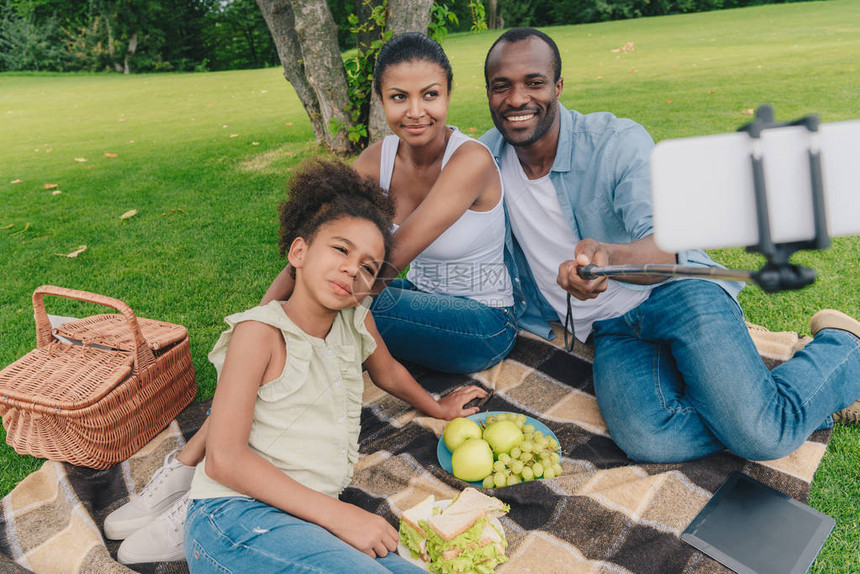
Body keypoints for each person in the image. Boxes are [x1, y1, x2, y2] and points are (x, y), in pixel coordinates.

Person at [480, 27, 860, 463]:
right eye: (501, 86)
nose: (516, 99)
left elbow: (666, 249)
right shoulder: (482, 162)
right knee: (650, 439)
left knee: (762, 439)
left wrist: (608, 258)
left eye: (534, 82)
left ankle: (843, 347)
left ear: (558, 87)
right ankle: (770, 406)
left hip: (680, 293)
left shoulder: (616, 142)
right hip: (612, 329)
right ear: (488, 93)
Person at [104, 159, 487, 568]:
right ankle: (185, 499)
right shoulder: (260, 333)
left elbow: (388, 371)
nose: (350, 269)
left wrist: (438, 407)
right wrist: (344, 516)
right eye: (340, 248)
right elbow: (224, 458)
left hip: (305, 518)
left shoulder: (355, 319)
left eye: (367, 268)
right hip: (236, 515)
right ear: (299, 251)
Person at [263, 32, 517, 375]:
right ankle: (267, 358)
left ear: (448, 95)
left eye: (430, 95)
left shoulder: (471, 160)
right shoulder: (375, 161)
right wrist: (261, 317)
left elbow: (394, 256)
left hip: (483, 323)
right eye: (399, 97)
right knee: (322, 280)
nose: (416, 112)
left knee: (350, 301)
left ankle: (276, 366)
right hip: (420, 298)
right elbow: (314, 242)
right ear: (381, 101)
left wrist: (320, 299)